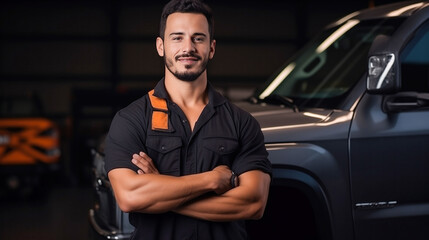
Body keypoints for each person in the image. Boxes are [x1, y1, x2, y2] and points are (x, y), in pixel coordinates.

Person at [104, 0, 272, 239]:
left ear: (211, 48)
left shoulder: (242, 123)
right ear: (160, 46)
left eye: (198, 38)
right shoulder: (131, 120)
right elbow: (130, 197)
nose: (188, 47)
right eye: (177, 37)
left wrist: (159, 189)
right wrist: (211, 180)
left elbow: (252, 203)